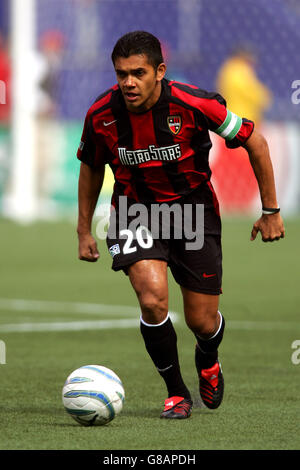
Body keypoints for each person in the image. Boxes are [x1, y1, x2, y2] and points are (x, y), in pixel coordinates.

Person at [76, 31, 285, 420]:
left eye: (138, 73)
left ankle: (208, 357)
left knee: (202, 321)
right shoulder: (101, 114)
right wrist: (83, 230)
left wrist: (270, 210)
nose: (128, 83)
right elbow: (90, 166)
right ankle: (176, 393)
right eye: (121, 74)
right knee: (153, 299)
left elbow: (255, 141)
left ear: (160, 71)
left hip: (193, 213)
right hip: (134, 213)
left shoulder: (195, 103)